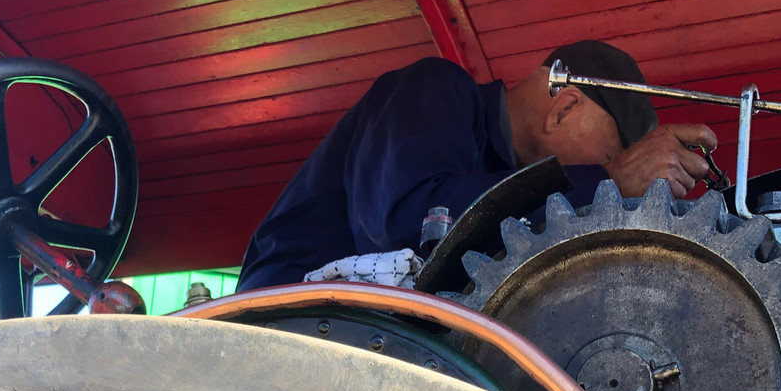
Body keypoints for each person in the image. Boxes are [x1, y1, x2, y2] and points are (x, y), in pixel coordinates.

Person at [237, 40, 717, 291]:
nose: (611, 168)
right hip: (278, 323)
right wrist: (608, 179)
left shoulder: (508, 178)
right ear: (565, 108)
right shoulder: (437, 87)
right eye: (612, 152)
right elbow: (405, 226)